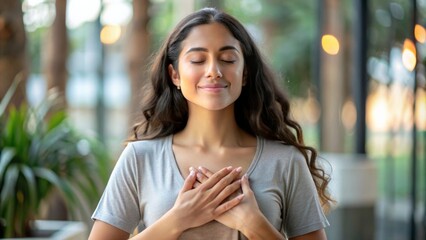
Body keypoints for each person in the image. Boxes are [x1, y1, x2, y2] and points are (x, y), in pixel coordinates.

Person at [89, 7, 333, 240]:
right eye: (197, 60)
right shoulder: (140, 158)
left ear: (245, 73)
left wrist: (254, 225)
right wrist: (178, 219)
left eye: (228, 59)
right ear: (175, 75)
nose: (214, 70)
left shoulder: (285, 161)